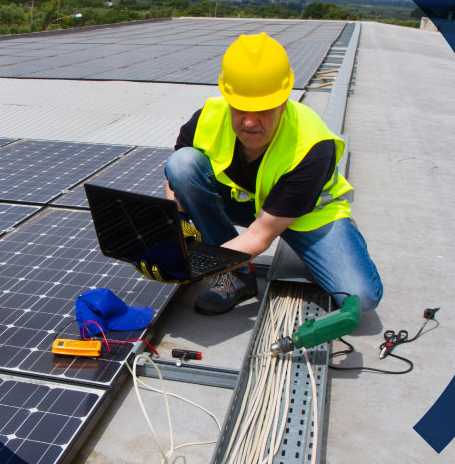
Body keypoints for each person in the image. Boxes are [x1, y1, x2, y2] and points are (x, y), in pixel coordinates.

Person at [137, 32, 382, 314]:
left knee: (361, 299)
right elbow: (175, 177)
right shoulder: (208, 116)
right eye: (241, 108)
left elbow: (260, 235)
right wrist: (178, 227)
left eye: (263, 109)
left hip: (306, 214)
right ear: (228, 97)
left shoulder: (312, 145)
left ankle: (336, 239)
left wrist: (194, 263)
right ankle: (235, 278)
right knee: (182, 163)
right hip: (244, 202)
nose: (250, 122)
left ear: (284, 99)